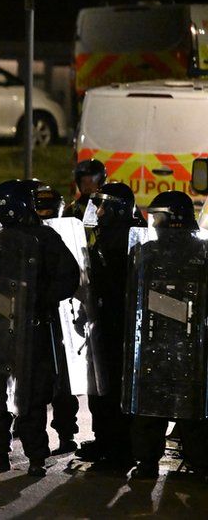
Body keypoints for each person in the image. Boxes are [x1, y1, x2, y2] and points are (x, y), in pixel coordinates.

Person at [0, 179, 79, 476]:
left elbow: (69, 278)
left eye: (0, 211)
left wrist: (36, 299)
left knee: (31, 395)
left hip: (33, 329)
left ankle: (35, 455)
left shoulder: (46, 240)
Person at [124, 191, 208, 479]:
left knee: (153, 406)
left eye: (158, 216)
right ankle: (200, 463)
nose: (154, 222)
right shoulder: (198, 252)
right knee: (190, 407)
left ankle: (147, 462)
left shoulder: (147, 252)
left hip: (158, 341)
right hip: (187, 344)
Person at [75, 182, 140, 469]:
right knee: (99, 386)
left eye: (104, 206)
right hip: (101, 321)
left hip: (118, 325)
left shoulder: (127, 238)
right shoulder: (106, 235)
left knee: (113, 388)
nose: (98, 212)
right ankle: (103, 440)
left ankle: (119, 449)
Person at [33, 182, 79, 455]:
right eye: (41, 209)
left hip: (62, 315)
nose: (46, 214)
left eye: (50, 210)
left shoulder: (66, 234)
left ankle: (66, 432)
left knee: (63, 381)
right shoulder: (27, 236)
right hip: (36, 315)